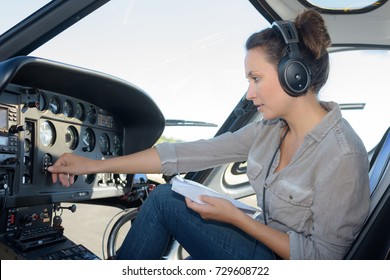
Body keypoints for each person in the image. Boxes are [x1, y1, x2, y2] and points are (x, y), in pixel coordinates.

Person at [48, 9, 370, 260]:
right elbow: (187, 154)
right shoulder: (269, 131)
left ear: (293, 75)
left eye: (255, 78)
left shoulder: (342, 154)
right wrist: (90, 165)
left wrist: (237, 218)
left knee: (163, 203)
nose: (249, 94)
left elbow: (325, 260)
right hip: (263, 249)